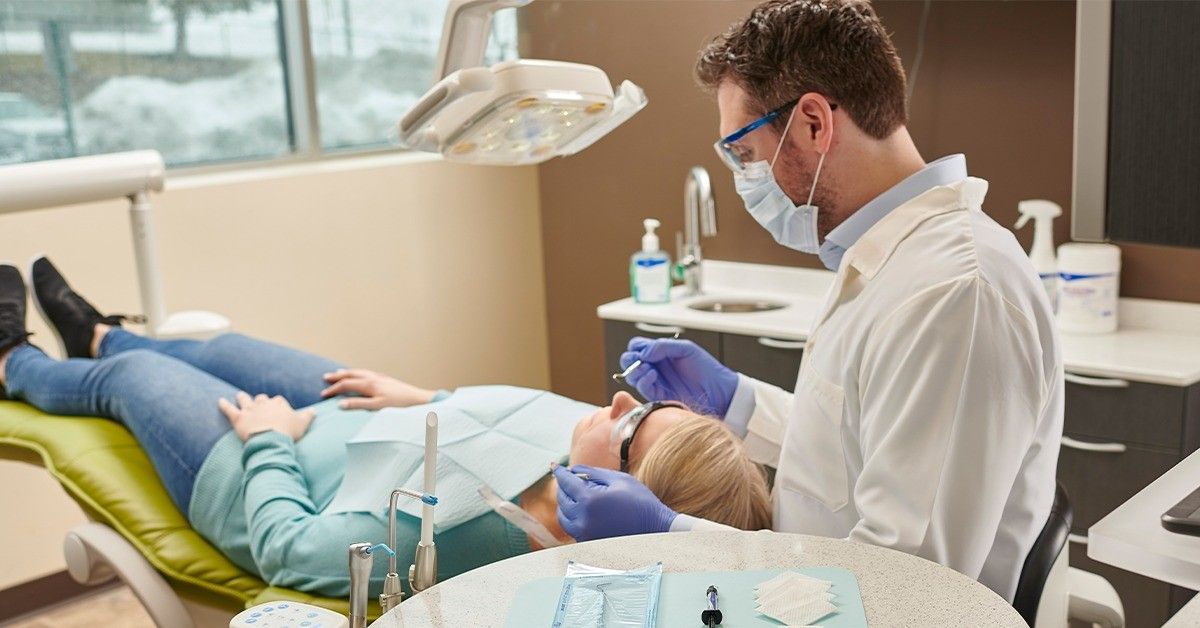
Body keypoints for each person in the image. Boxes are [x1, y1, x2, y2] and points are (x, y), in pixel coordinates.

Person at [552, 0, 1062, 602]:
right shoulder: (887, 260)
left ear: (814, 122)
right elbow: (862, 455)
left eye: (743, 152)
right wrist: (738, 401)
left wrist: (673, 536)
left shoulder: (953, 292)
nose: (744, 177)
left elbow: (907, 586)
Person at [0, 257, 771, 598]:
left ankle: (18, 361)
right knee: (221, 347)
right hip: (376, 416)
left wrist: (267, 442)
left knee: (132, 385)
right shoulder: (582, 441)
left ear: (618, 506)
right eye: (639, 403)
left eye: (631, 434)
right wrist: (425, 396)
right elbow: (489, 419)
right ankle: (100, 332)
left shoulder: (455, 538)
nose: (613, 407)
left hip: (254, 463)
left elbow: (285, 548)